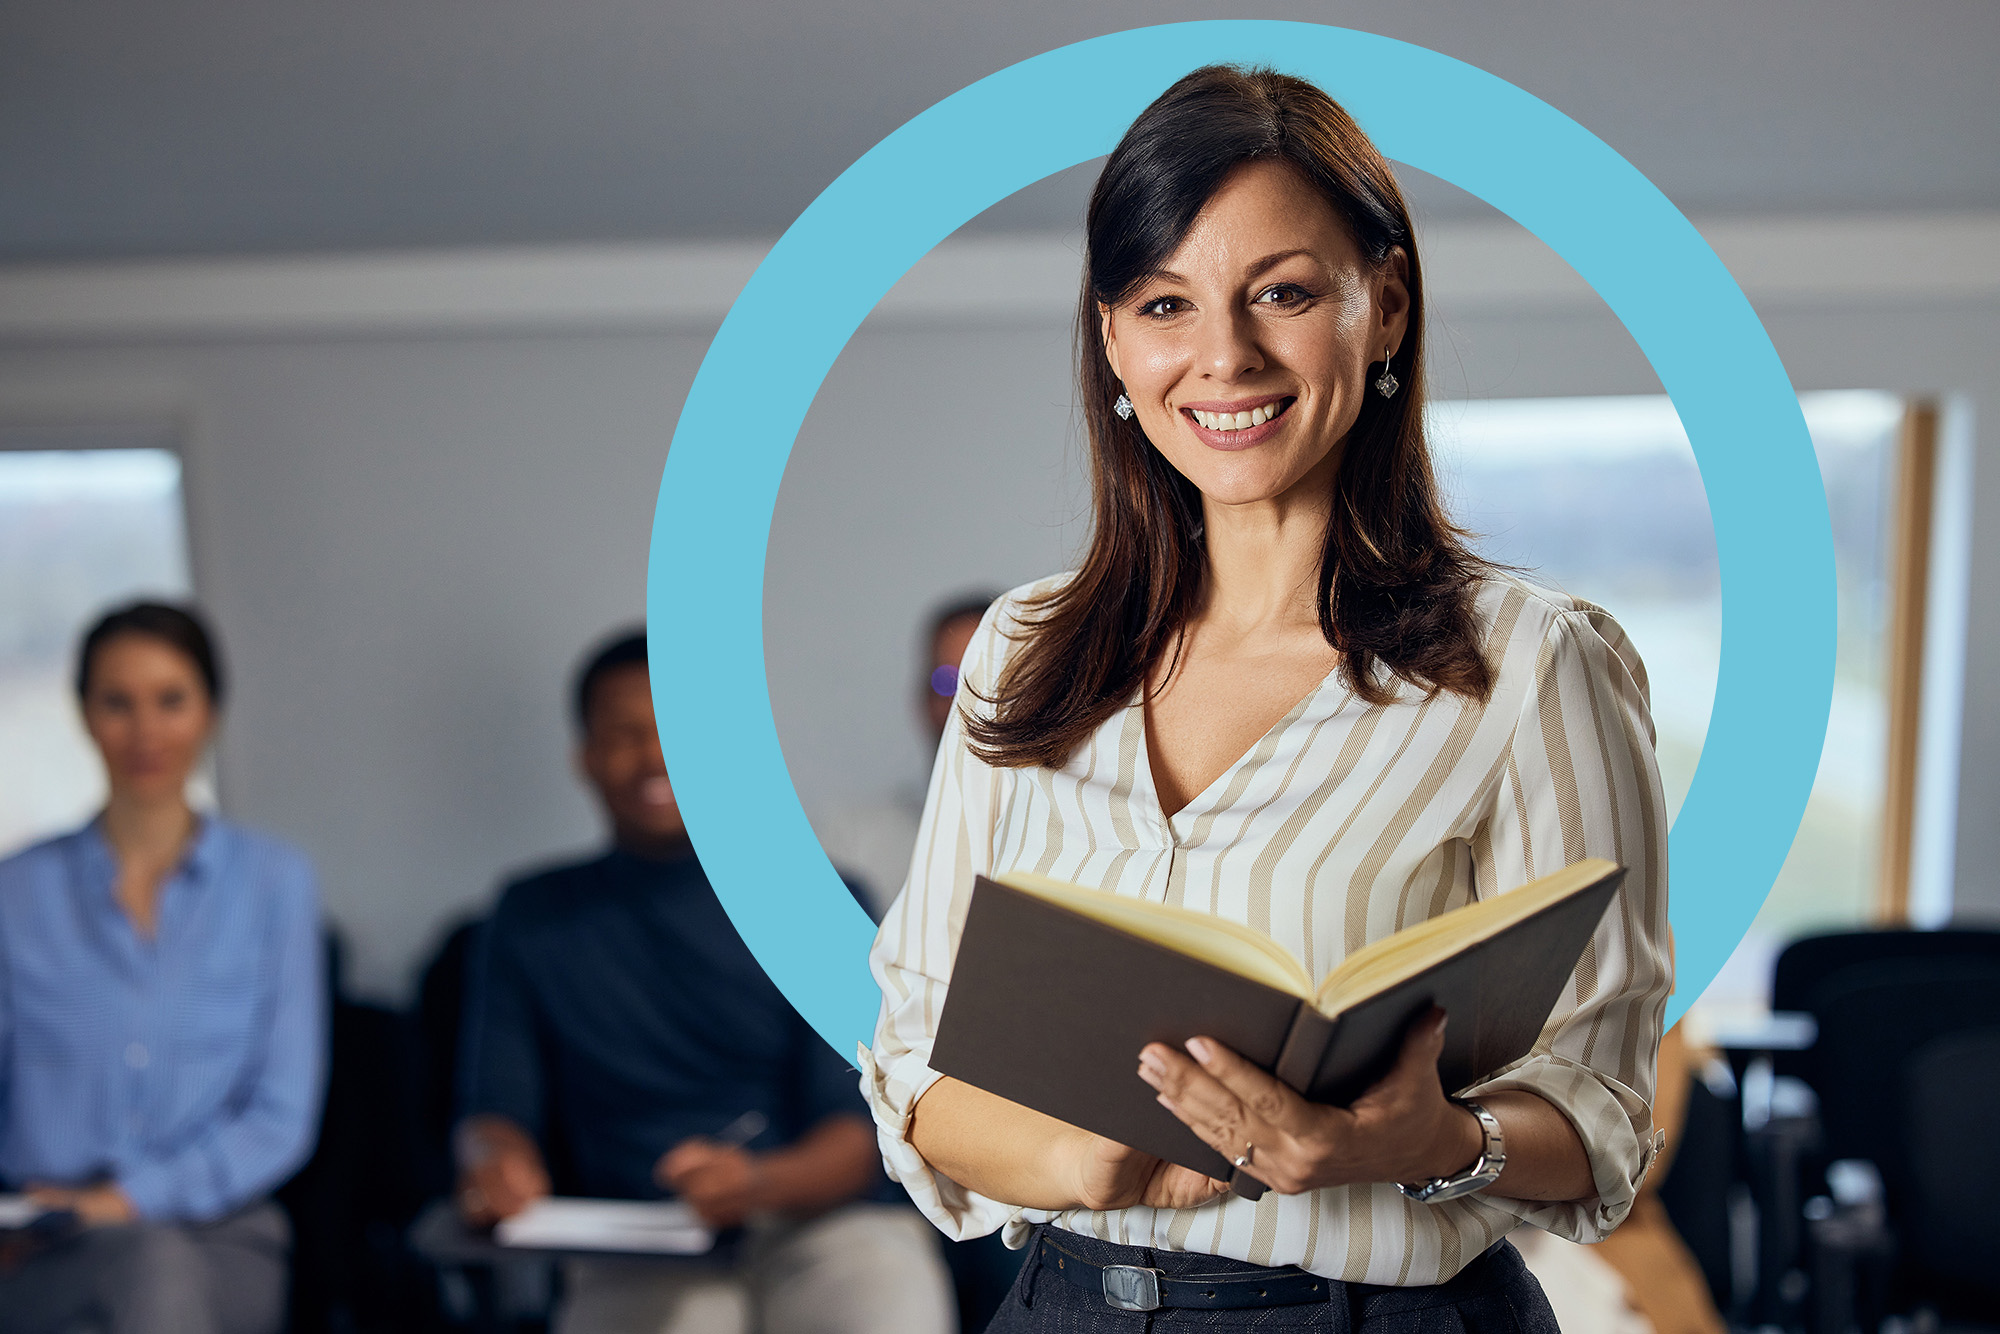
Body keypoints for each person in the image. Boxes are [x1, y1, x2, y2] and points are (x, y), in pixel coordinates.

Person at [861, 66, 1672, 1331]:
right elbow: (912, 1062)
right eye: (1165, 302)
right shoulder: (1024, 649)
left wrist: (1422, 1139)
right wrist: (1098, 1162)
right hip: (1063, 1303)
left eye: (1282, 294)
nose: (1222, 356)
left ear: (1384, 305)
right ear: (1114, 339)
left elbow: (1600, 1111)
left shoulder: (1527, 663)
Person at [454, 629, 953, 1334]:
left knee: (883, 1298)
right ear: (586, 758)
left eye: (676, 732)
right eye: (624, 735)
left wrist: (756, 1184)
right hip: (636, 1239)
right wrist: (495, 1163)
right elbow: (494, 1107)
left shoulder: (809, 895)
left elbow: (861, 1127)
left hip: (821, 1225)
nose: (653, 756)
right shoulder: (532, 917)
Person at [0, 601, 325, 1334]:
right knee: (143, 1277)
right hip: (47, 1238)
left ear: (209, 710)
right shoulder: (15, 893)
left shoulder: (274, 883)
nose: (146, 731)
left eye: (170, 701)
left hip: (223, 1234)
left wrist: (129, 1201)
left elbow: (279, 1115)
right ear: (84, 714)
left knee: (156, 1269)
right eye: (118, 703)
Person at [821, 591, 999, 921]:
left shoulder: (1073, 848)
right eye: (948, 682)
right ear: (922, 701)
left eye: (987, 683)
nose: (967, 706)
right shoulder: (853, 843)